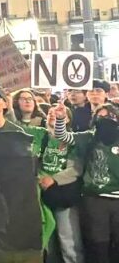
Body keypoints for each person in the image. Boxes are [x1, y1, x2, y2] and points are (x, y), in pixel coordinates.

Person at [54, 102, 119, 263]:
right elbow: (63, 136)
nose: (104, 120)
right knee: (98, 245)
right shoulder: (89, 137)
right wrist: (61, 119)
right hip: (95, 199)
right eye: (100, 116)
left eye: (109, 116)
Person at [31, 106, 85, 263]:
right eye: (50, 113)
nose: (53, 115)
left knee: (68, 238)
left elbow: (76, 168)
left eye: (59, 114)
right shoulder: (41, 136)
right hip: (43, 194)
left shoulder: (73, 139)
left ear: (66, 119)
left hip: (64, 194)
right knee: (48, 239)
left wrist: (54, 179)